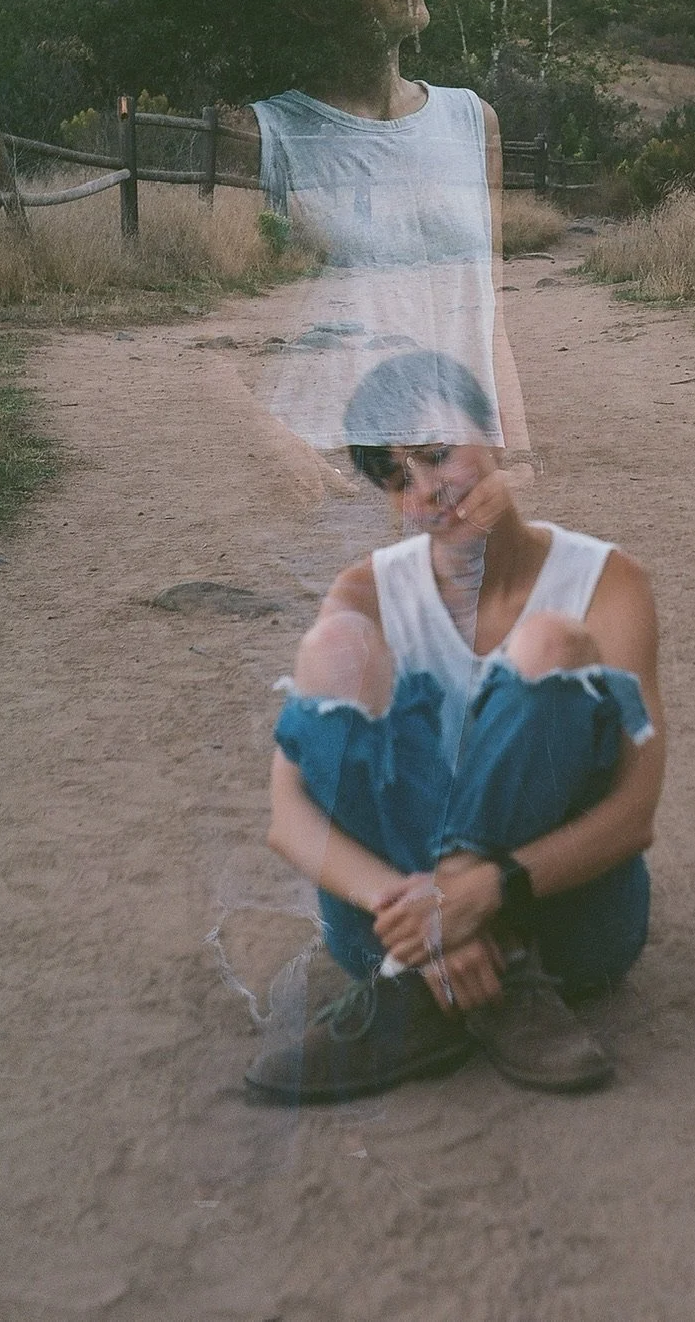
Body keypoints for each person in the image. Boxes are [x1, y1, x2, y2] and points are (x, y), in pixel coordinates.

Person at [246, 351, 665, 1104]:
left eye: (439, 454)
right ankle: (457, 987)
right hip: (388, 926)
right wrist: (433, 917)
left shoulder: (608, 581)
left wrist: (484, 890)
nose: (430, 490)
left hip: (571, 920)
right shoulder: (368, 590)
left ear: (494, 432)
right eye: (398, 478)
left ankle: (428, 1000)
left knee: (551, 644)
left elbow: (633, 814)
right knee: (333, 647)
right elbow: (287, 817)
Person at [219, 0, 529, 459]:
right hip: (327, 468)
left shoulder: (472, 121)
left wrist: (520, 456)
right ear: (312, 1)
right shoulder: (266, 138)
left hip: (456, 480)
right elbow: (213, 345)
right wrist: (279, 455)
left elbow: (491, 317)